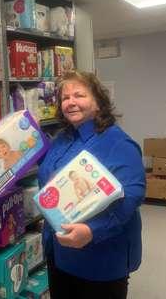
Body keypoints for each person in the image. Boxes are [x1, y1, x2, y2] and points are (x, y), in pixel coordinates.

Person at [37, 70, 145, 299]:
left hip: (100, 258)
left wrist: (92, 231)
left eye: (79, 95)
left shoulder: (117, 142)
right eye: (65, 98)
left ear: (98, 102)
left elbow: (133, 194)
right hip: (58, 253)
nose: (71, 102)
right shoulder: (62, 139)